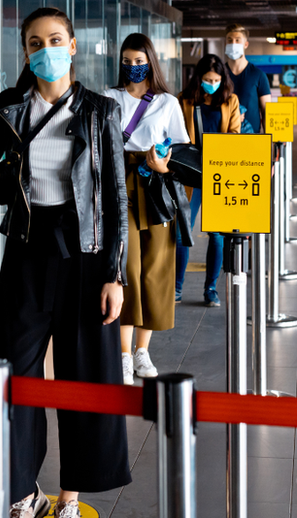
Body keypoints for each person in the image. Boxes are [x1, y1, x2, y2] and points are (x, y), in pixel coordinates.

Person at [0, 7, 130, 518]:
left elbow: (116, 200)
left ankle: (71, 498)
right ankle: (22, 493)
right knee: (16, 377)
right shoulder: (9, 110)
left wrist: (115, 274)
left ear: (74, 46)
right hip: (28, 253)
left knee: (85, 378)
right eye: (35, 43)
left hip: (86, 256)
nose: (46, 50)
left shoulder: (101, 112)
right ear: (26, 51)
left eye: (55, 39)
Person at [103, 33, 190, 384]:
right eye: (128, 61)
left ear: (151, 62)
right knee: (126, 268)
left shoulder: (167, 103)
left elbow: (182, 150)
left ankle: (142, 352)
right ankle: (123, 356)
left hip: (154, 187)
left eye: (140, 61)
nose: (134, 67)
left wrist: (164, 168)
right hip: (119, 183)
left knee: (155, 269)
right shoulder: (108, 98)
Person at [175, 54, 241, 307]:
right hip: (190, 175)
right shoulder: (185, 101)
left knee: (216, 235)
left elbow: (234, 135)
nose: (211, 83)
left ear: (222, 79)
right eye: (206, 80)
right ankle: (177, 289)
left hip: (218, 175)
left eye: (215, 79)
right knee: (183, 234)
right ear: (198, 79)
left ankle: (210, 289)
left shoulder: (230, 101)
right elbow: (178, 133)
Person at [224, 23, 270, 134]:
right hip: (223, 135)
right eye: (229, 40)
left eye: (237, 40)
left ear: (246, 44)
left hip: (251, 136)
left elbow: (266, 111)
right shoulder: (219, 75)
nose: (233, 43)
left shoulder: (258, 75)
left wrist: (270, 139)